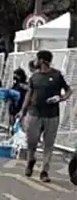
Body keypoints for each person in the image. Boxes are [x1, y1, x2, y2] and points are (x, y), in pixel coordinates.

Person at [18, 50, 71, 182]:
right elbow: (28, 95)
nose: (35, 61)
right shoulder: (34, 77)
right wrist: (22, 111)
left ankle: (44, 171)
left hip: (52, 115)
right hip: (34, 113)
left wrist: (61, 98)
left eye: (37, 59)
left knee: (49, 143)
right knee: (31, 140)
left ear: (42, 60)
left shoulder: (57, 75)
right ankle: (31, 160)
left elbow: (69, 90)